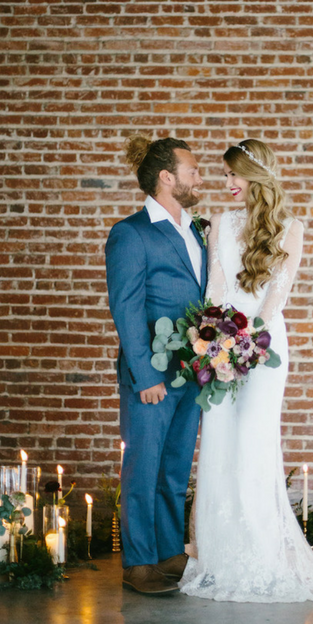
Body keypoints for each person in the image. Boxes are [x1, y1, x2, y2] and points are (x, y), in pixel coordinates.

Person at [179, 139, 313, 602]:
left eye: (234, 175)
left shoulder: (290, 228)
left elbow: (276, 298)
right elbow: (216, 287)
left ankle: (262, 553)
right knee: (218, 439)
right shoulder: (220, 223)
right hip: (222, 343)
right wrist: (214, 339)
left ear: (257, 177)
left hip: (264, 344)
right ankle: (219, 554)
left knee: (254, 441)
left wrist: (246, 342)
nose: (228, 184)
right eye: (224, 176)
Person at [105, 135, 206, 595]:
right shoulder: (131, 233)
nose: (198, 177)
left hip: (192, 373)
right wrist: (145, 375)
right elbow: (125, 308)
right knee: (143, 468)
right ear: (167, 177)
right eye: (192, 169)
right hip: (151, 375)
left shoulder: (198, 230)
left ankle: (169, 554)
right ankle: (139, 563)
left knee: (174, 467)